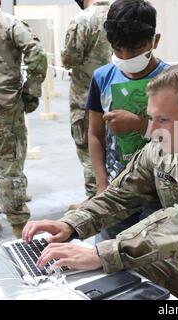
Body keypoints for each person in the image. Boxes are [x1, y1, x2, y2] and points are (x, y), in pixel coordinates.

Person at [22, 65, 178, 300]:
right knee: (95, 283)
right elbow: (120, 194)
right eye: (152, 119)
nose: (153, 129)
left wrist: (104, 252)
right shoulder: (162, 148)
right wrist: (71, 224)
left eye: (163, 120)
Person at [88, 0, 169, 239]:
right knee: (108, 255)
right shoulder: (102, 77)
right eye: (117, 49)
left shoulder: (173, 80)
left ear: (155, 41)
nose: (124, 57)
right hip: (117, 190)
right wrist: (102, 184)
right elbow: (94, 134)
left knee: (153, 259)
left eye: (134, 51)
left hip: (160, 192)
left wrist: (140, 125)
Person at [0, 0, 47, 240]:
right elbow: (36, 53)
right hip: (4, 107)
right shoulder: (9, 22)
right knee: (9, 165)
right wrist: (31, 91)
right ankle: (18, 223)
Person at [61, 0, 112, 207]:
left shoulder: (82, 20)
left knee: (90, 148)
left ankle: (95, 203)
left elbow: (69, 59)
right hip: (119, 95)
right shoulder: (120, 13)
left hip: (87, 97)